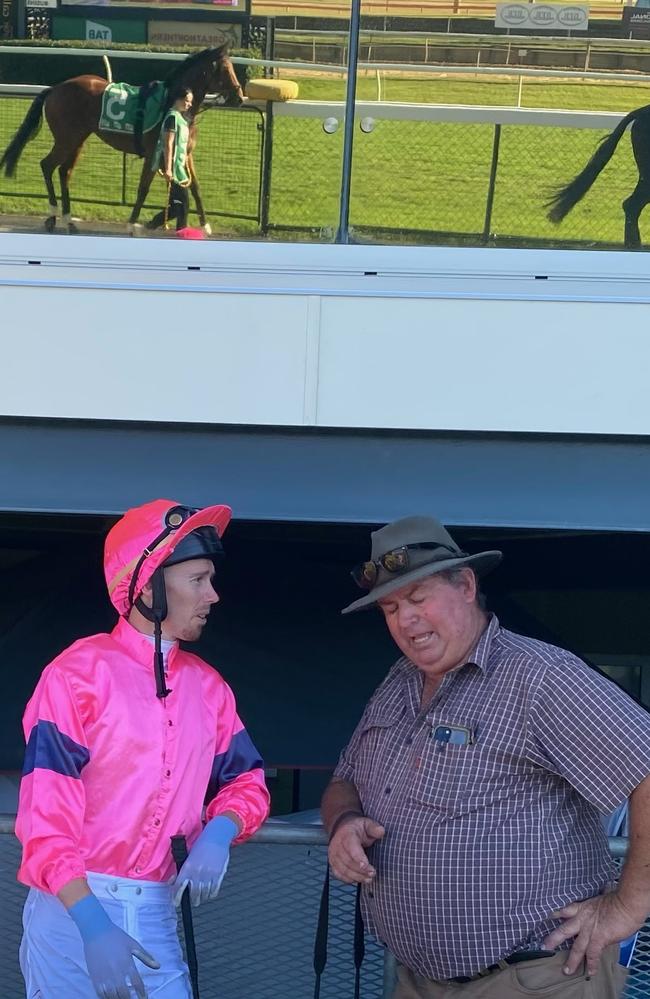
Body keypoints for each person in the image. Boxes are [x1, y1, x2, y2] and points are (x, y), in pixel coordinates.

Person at [321, 515, 650, 999]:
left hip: (534, 978)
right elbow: (343, 778)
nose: (404, 621)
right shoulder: (398, 682)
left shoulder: (539, 676)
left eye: (418, 599)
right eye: (390, 608)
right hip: (418, 979)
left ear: (467, 585)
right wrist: (344, 821)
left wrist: (628, 906)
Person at [16, 498, 270, 999]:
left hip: (156, 906)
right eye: (198, 580)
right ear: (150, 585)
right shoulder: (75, 676)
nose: (212, 595)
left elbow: (249, 782)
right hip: (72, 913)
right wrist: (91, 922)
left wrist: (222, 828)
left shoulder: (210, 689)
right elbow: (45, 821)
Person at [148, 88, 193, 232]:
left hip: (178, 167)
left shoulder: (179, 118)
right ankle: (182, 232)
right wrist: (168, 169)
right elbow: (168, 144)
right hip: (172, 167)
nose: (189, 104)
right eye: (187, 101)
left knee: (175, 207)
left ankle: (149, 226)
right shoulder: (172, 118)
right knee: (184, 202)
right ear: (178, 100)